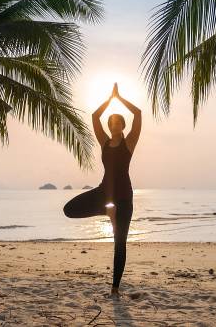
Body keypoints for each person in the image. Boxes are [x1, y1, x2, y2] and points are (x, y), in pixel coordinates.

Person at [63, 82, 141, 297]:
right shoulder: (104, 142)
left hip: (124, 198)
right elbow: (95, 118)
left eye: (118, 122)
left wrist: (120, 98)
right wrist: (109, 99)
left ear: (122, 126)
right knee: (69, 209)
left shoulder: (130, 143)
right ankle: (107, 211)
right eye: (112, 122)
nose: (114, 125)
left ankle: (115, 287)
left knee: (120, 243)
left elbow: (138, 113)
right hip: (104, 191)